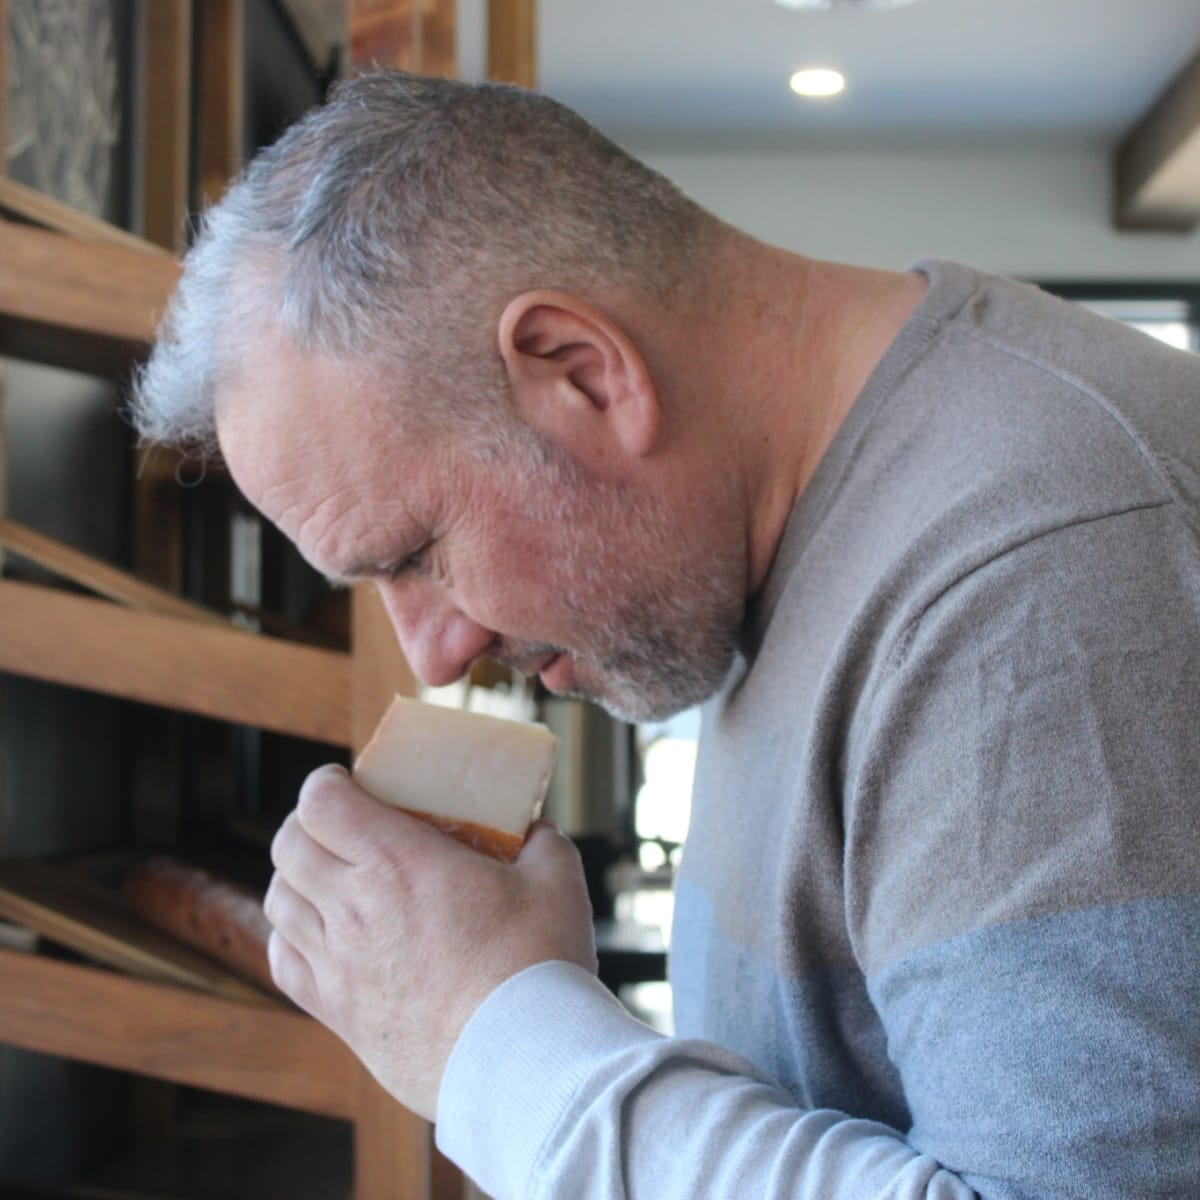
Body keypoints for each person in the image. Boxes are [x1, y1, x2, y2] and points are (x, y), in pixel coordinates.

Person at [132, 70, 1200, 1199]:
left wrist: (500, 1046)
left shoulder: (1035, 570)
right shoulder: (778, 556)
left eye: (416, 554)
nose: (432, 653)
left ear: (583, 374)